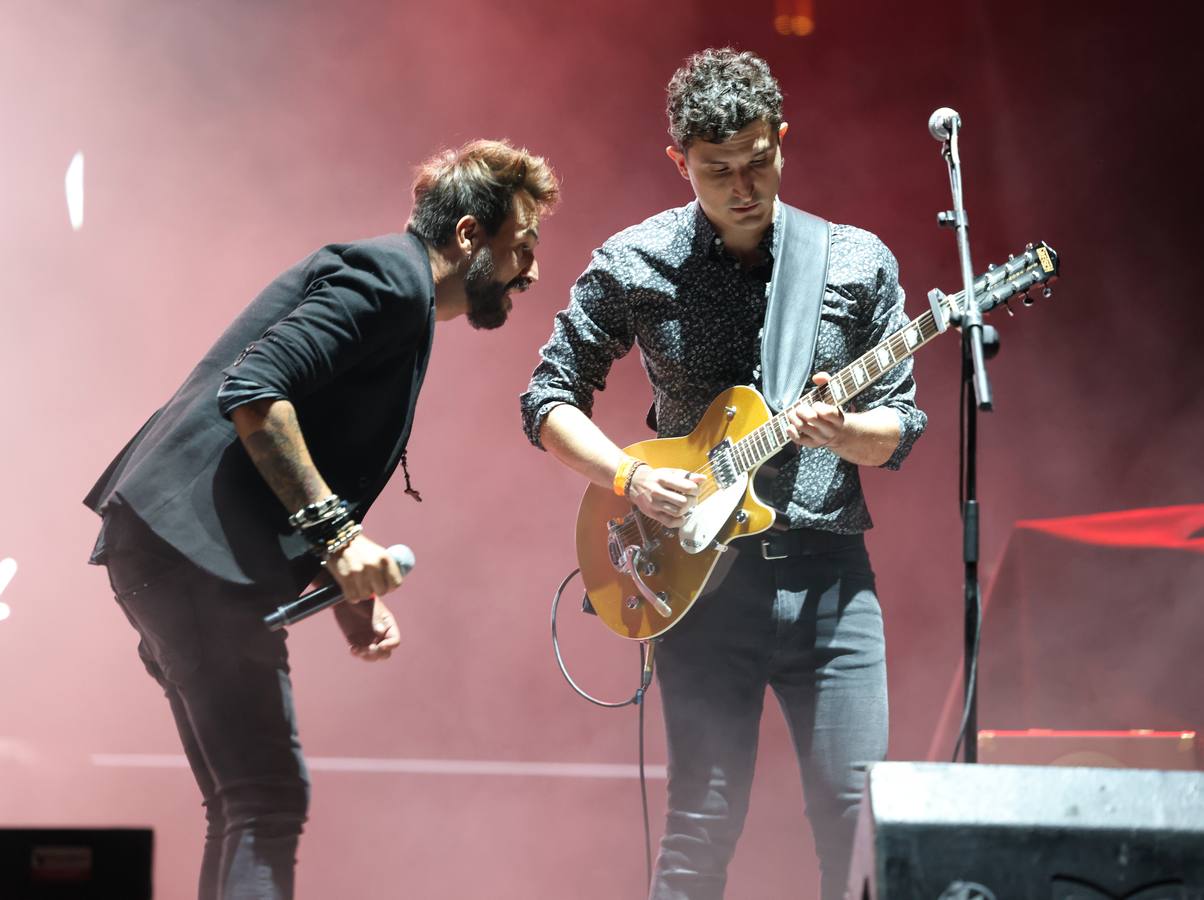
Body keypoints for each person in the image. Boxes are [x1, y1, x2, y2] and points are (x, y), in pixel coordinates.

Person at [85, 139, 559, 900]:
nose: (531, 271)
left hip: (169, 551)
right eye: (523, 246)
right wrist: (340, 539)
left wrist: (350, 598)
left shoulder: (401, 298)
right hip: (188, 555)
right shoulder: (392, 280)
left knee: (244, 800)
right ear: (470, 234)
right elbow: (256, 392)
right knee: (269, 797)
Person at [520, 49, 925, 900]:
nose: (744, 187)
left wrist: (844, 431)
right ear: (679, 161)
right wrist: (628, 476)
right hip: (698, 589)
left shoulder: (854, 261)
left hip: (830, 583)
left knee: (860, 830)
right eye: (718, 171)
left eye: (759, 162)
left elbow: (899, 428)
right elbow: (548, 399)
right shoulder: (638, 260)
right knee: (701, 830)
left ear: (783, 139)